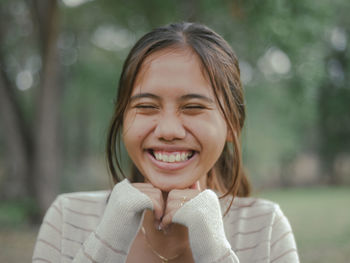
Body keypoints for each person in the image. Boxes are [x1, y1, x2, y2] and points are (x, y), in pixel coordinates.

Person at [32, 22, 299, 263]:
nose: (168, 130)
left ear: (232, 125)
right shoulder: (68, 218)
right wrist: (108, 239)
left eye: (193, 107)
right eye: (147, 106)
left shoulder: (266, 229)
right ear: (123, 119)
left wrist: (213, 247)